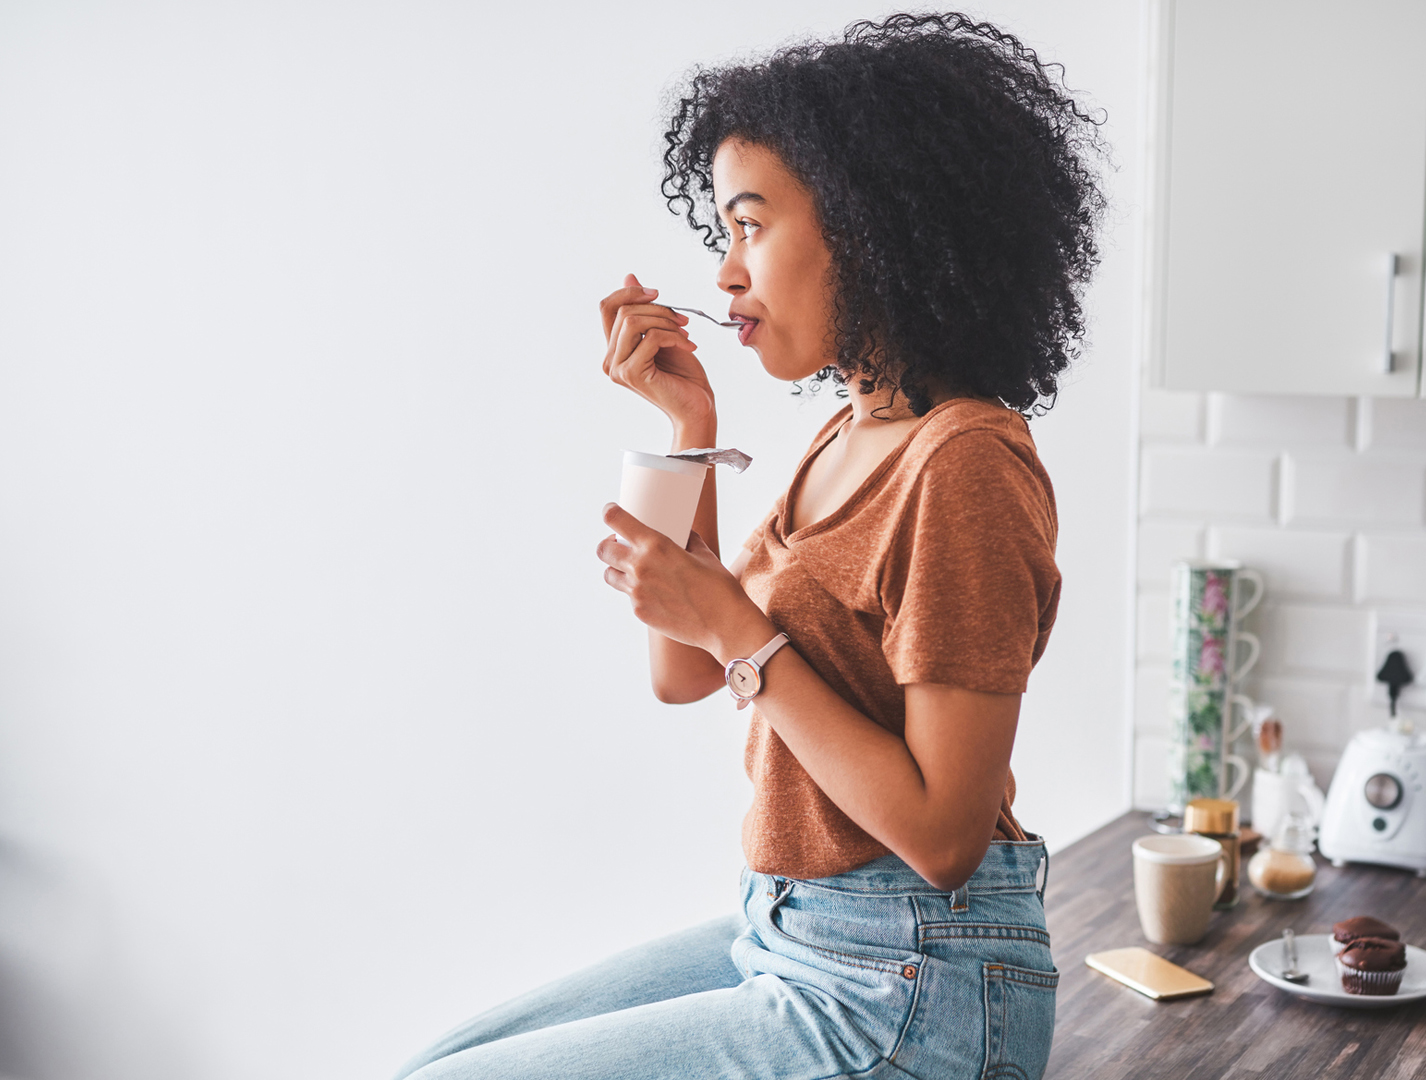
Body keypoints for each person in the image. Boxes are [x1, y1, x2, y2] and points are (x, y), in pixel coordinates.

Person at [390, 11, 1106, 1080]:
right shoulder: (852, 430)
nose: (725, 274)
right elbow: (685, 672)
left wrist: (733, 622)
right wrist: (691, 432)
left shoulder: (964, 464)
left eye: (750, 226)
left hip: (916, 982)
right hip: (793, 928)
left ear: (871, 224)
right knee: (449, 1056)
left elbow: (945, 835)